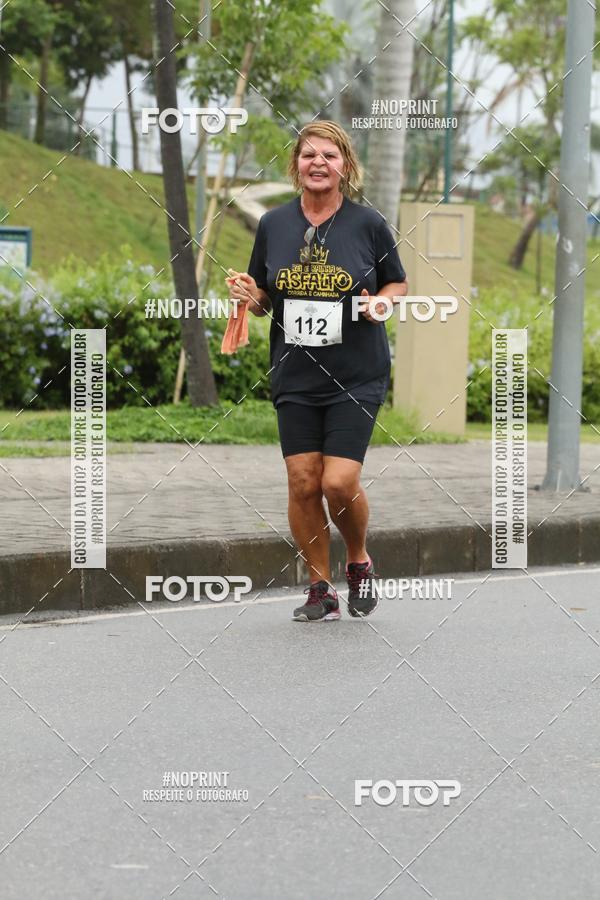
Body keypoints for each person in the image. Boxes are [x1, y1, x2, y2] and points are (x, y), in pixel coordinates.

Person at [226, 120, 408, 622]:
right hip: (295, 372)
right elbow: (265, 297)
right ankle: (319, 587)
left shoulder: (367, 224)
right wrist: (250, 294)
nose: (318, 164)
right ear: (296, 166)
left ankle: (358, 561)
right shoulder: (274, 224)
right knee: (303, 481)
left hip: (356, 373)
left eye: (329, 156)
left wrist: (381, 306)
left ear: (344, 166)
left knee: (338, 482)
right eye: (309, 156)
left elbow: (397, 283)